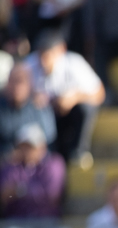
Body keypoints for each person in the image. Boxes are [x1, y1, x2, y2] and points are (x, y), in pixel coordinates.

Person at [26, 29, 104, 162]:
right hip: (44, 117)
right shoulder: (30, 64)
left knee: (85, 108)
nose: (44, 61)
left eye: (48, 55)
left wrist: (74, 98)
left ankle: (78, 151)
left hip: (70, 116)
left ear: (61, 50)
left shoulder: (74, 63)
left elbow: (99, 94)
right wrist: (31, 97)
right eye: (41, 55)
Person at [0, 123, 70, 228]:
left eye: (31, 146)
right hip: (17, 222)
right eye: (23, 146)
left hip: (47, 223)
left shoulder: (54, 163)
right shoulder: (10, 166)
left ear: (42, 147)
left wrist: (19, 190)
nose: (26, 150)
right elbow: (5, 195)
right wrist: (34, 189)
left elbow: (51, 195)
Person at [0, 62, 56, 157]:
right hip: (8, 160)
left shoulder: (39, 105)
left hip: (37, 159)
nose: (16, 87)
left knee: (55, 166)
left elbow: (49, 137)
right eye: (13, 81)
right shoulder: (2, 106)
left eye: (20, 82)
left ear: (29, 84)